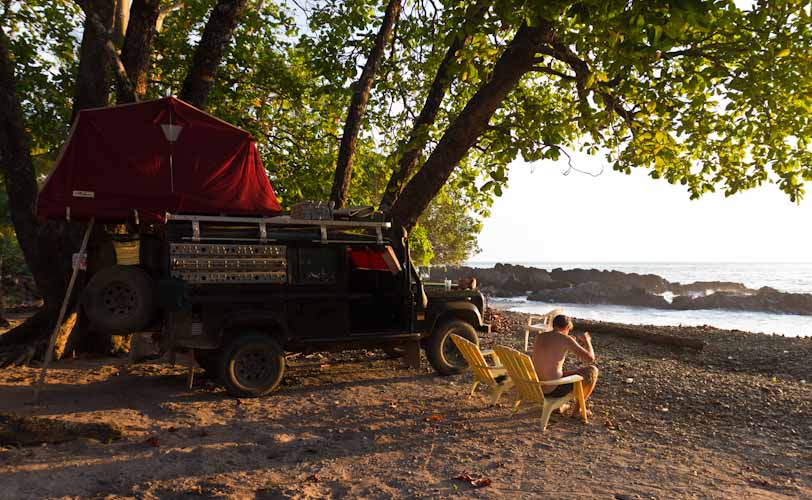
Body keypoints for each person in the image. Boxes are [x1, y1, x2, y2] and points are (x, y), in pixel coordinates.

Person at [532, 314, 599, 415]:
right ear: (567, 327)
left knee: (563, 372)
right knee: (592, 371)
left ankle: (559, 407)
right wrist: (587, 341)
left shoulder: (541, 336)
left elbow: (554, 348)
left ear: (553, 325)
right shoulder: (566, 339)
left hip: (537, 387)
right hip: (553, 389)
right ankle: (578, 410)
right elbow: (590, 358)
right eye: (569, 330)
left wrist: (569, 341)